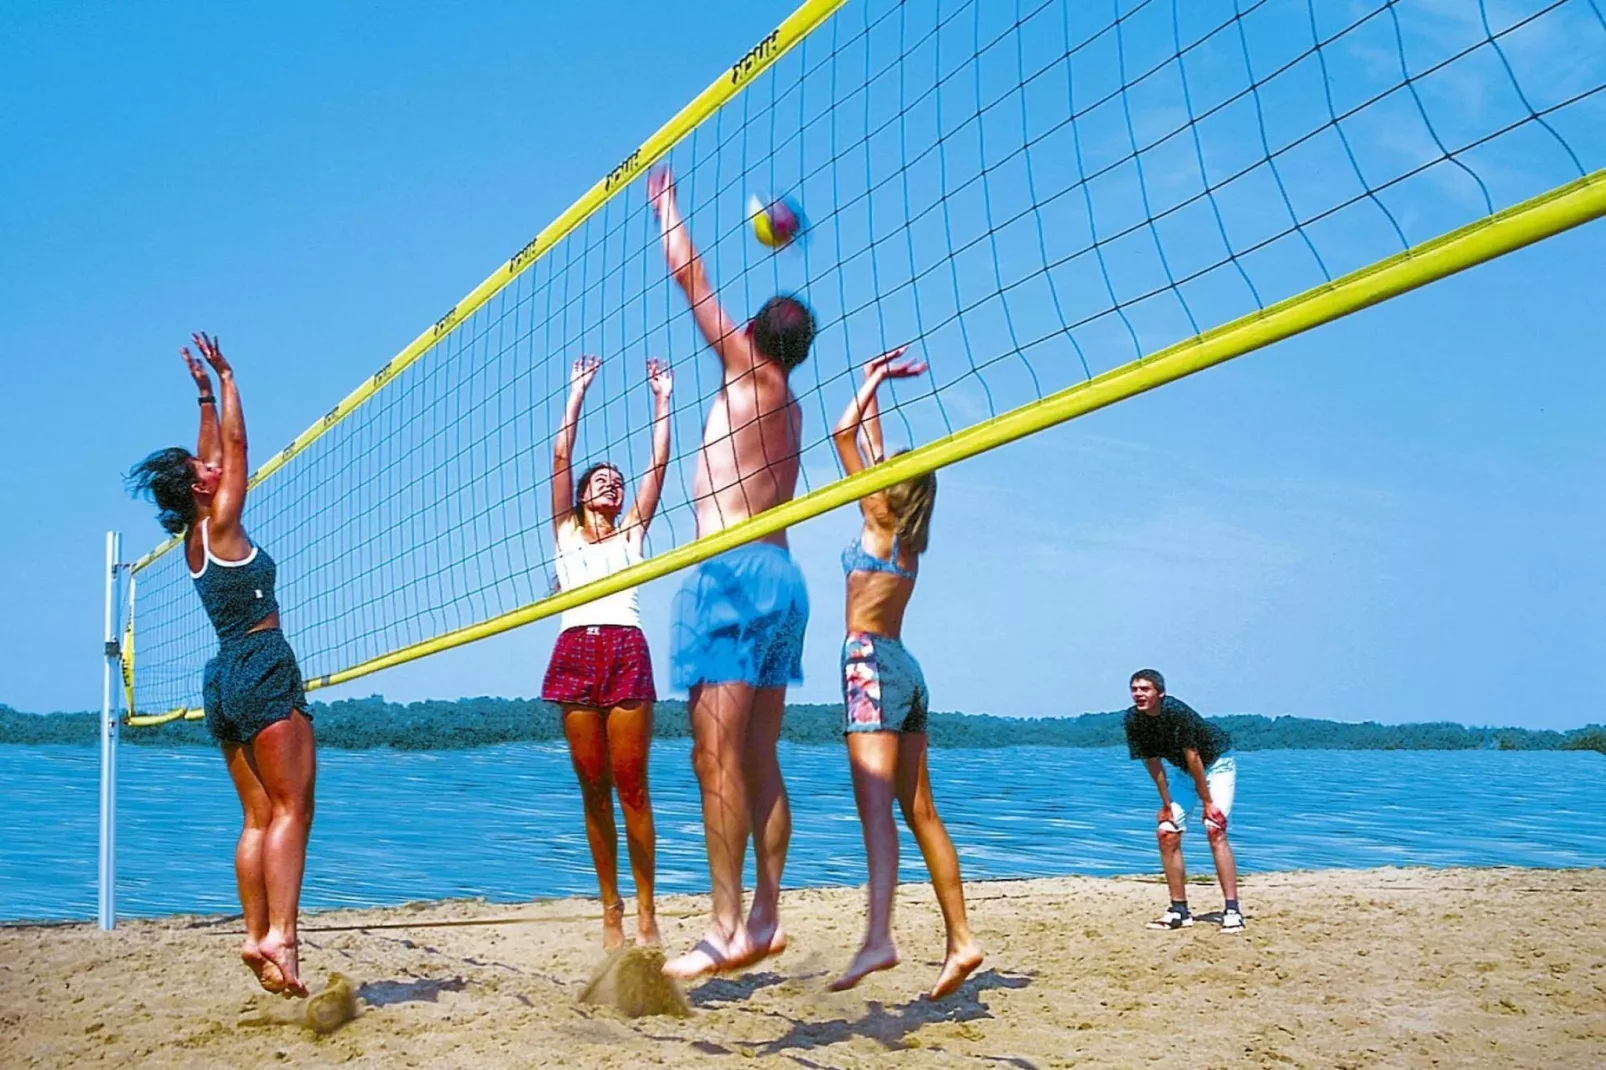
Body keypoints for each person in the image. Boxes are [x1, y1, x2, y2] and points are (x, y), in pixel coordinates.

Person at [647, 165, 813, 980]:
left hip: (733, 578)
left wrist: (666, 204)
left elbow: (690, 274)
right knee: (759, 757)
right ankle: (768, 916)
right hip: (784, 581)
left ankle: (724, 928)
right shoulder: (794, 402)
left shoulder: (748, 372)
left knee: (712, 760)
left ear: (753, 335)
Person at [125, 333, 316, 997]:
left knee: (258, 817)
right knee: (293, 811)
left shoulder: (194, 540)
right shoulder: (225, 520)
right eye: (199, 472)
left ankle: (254, 934)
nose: (212, 469)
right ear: (200, 490)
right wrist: (231, 376)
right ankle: (285, 942)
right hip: (262, 664)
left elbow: (209, 455)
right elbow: (232, 452)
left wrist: (203, 395)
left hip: (224, 677)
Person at [826, 348, 984, 1000]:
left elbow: (842, 433)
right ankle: (962, 941)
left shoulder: (878, 517)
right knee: (921, 811)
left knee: (876, 812)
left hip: (868, 663)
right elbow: (871, 439)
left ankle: (879, 937)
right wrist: (883, 399)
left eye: (887, 469)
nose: (878, 465)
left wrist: (871, 380)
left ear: (895, 488)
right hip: (907, 668)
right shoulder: (908, 533)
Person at [542, 353, 672, 950]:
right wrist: (577, 392)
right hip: (575, 649)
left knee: (632, 787)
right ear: (583, 495)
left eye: (616, 482)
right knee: (592, 788)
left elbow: (658, 466)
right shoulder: (565, 531)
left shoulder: (632, 533)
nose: (611, 483)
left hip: (625, 647)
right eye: (603, 479)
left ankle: (647, 910)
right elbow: (562, 458)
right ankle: (612, 908)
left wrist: (662, 402)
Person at [1123, 670, 1243, 933]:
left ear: (1160, 693)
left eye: (1145, 689)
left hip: (1216, 764)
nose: (1138, 694)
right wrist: (1166, 806)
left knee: (1215, 828)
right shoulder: (1133, 719)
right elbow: (1153, 763)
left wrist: (1207, 802)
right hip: (1184, 773)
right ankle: (1179, 909)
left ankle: (1232, 909)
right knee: (1166, 832)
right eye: (1135, 689)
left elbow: (1194, 757)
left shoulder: (1177, 712)